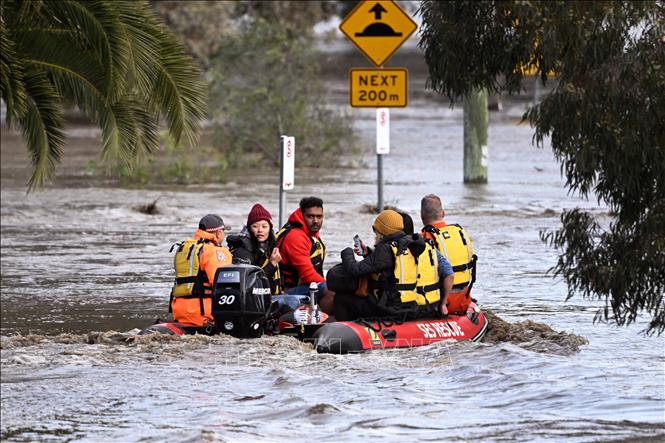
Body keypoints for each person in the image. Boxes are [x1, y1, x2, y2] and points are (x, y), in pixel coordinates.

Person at [334, 209, 454, 321]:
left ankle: (346, 330)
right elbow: (387, 263)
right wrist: (368, 253)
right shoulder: (412, 245)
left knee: (342, 299)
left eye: (376, 231)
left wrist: (347, 252)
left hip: (390, 310)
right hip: (412, 306)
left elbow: (355, 269)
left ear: (382, 231)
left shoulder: (386, 249)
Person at [170, 214, 232, 327]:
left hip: (179, 311)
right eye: (223, 231)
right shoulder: (214, 251)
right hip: (203, 313)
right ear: (218, 233)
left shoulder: (184, 248)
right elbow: (223, 285)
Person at [276, 196, 334, 313]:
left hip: (302, 286)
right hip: (286, 291)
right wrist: (331, 285)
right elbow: (308, 275)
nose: (315, 221)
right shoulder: (295, 237)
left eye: (319, 216)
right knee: (331, 290)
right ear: (302, 215)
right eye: (310, 216)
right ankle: (323, 322)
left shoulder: (309, 233)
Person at [420, 194, 477, 314]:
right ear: (443, 213)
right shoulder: (460, 233)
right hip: (464, 300)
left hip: (442, 303)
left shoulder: (425, 238)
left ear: (422, 216)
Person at [226, 203, 282, 294]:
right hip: (252, 301)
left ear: (270, 229)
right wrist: (272, 264)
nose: (260, 230)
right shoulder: (242, 251)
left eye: (264, 226)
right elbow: (249, 284)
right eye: (255, 226)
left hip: (269, 296)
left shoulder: (268, 247)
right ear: (249, 229)